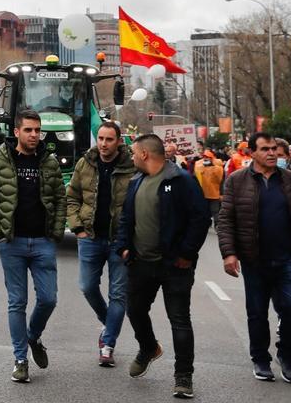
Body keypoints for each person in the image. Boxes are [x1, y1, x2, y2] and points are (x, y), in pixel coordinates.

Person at [115, 133, 209, 400]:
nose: (132, 157)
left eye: (134, 152)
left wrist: (187, 253)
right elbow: (126, 219)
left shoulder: (181, 181)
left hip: (174, 266)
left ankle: (183, 377)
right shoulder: (136, 181)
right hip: (141, 264)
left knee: (179, 320)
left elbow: (200, 219)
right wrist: (123, 246)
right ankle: (148, 348)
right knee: (134, 310)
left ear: (145, 154)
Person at [0, 110, 66, 384]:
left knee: (49, 298)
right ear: (16, 132)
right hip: (11, 242)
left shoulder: (48, 162)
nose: (34, 135)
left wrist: (56, 231)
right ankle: (20, 359)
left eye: (37, 130)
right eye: (28, 130)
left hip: (42, 242)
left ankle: (33, 336)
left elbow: (60, 198)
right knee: (17, 302)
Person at [217, 132, 291, 384]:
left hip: (288, 258)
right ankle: (260, 358)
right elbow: (225, 219)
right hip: (254, 259)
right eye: (265, 149)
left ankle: (286, 352)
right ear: (252, 153)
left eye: (274, 149)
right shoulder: (236, 181)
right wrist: (229, 253)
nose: (271, 153)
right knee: (257, 312)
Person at [67, 121, 135, 367]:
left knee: (118, 294)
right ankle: (109, 321)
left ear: (119, 141)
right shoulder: (85, 163)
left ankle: (108, 345)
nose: (104, 144)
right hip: (90, 238)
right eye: (101, 139)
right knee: (86, 286)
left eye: (109, 139)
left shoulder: (132, 168)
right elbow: (72, 197)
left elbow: (140, 202)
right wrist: (77, 227)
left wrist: (133, 238)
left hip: (121, 240)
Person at [192, 150, 224, 224]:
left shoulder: (218, 167)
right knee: (204, 211)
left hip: (214, 194)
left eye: (208, 157)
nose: (206, 159)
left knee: (215, 211)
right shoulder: (198, 166)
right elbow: (194, 178)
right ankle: (205, 224)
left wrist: (222, 193)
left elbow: (221, 181)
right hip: (202, 194)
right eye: (204, 157)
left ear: (212, 158)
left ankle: (218, 226)